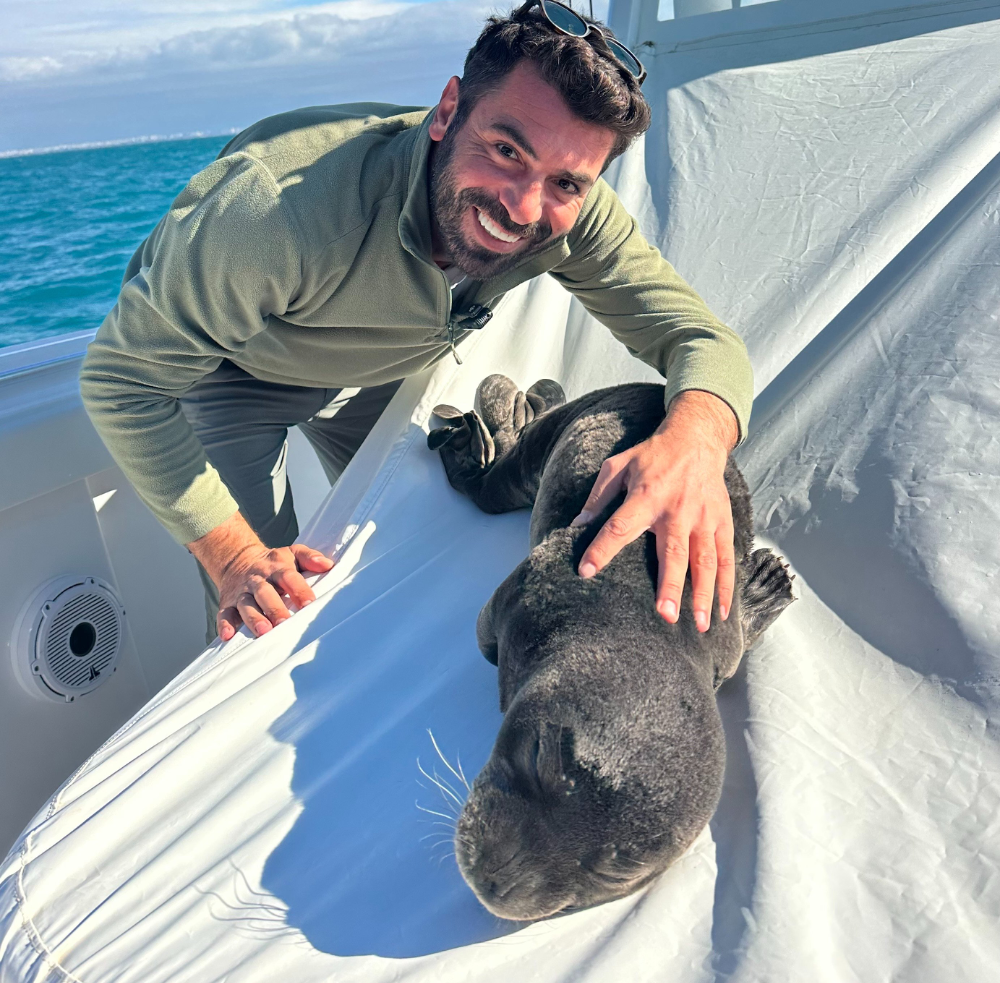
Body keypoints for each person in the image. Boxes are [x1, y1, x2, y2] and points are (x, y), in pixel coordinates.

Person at [80, 0, 753, 645]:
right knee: (261, 608)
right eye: (506, 150)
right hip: (234, 374)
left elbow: (699, 338)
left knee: (425, 543)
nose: (523, 208)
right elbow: (121, 382)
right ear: (448, 111)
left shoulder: (571, 213)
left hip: (378, 371)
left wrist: (695, 442)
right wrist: (231, 559)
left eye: (566, 183)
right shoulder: (274, 213)